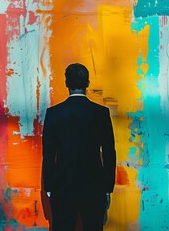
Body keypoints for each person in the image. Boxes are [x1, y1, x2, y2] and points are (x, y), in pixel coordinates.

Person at [42, 63, 116, 231]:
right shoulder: (101, 113)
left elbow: (48, 154)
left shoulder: (54, 114)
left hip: (62, 186)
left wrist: (49, 187)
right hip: (94, 187)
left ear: (67, 83)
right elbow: (109, 152)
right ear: (87, 83)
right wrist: (107, 187)